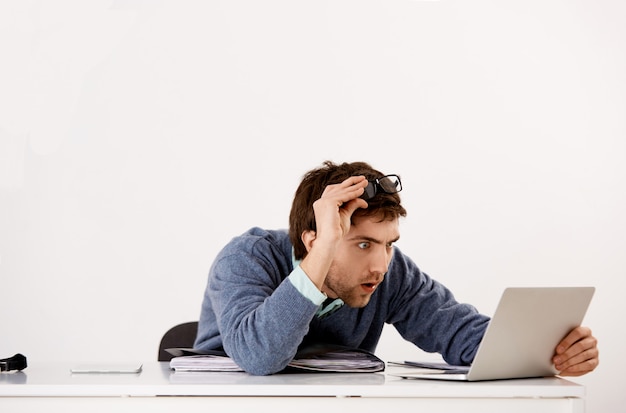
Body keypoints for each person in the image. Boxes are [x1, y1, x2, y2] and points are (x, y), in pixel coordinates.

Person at [195, 160, 599, 376]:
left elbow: (459, 332)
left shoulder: (390, 271)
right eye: (363, 244)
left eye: (389, 245)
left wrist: (553, 350)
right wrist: (323, 254)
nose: (380, 264)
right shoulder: (247, 257)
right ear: (313, 238)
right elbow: (259, 357)